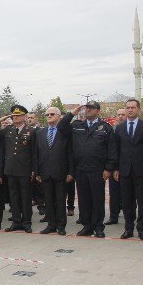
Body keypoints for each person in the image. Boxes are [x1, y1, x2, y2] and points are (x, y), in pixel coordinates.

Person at [58, 101, 117, 238]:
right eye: (86, 108)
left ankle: (98, 227)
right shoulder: (77, 125)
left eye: (91, 108)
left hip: (98, 169)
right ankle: (87, 226)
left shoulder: (105, 128)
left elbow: (112, 151)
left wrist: (108, 169)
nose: (88, 110)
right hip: (81, 168)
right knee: (84, 199)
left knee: (97, 199)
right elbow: (61, 126)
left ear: (98, 111)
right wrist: (72, 112)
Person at [113, 99, 143, 241]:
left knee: (142, 201)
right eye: (127, 108)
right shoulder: (120, 127)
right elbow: (117, 150)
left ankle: (141, 229)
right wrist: (116, 169)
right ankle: (128, 228)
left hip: (141, 170)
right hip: (125, 170)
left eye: (132, 108)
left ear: (138, 109)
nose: (130, 110)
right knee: (127, 202)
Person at [0, 105, 36, 233]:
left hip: (25, 169)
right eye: (13, 115)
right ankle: (16, 222)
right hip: (11, 169)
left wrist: (34, 169)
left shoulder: (31, 131)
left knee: (25, 197)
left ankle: (27, 222)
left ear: (24, 117)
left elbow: (34, 152)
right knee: (14, 197)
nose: (15, 117)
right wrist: (2, 119)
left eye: (18, 115)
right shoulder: (8, 130)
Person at [35, 107, 73, 236]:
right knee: (48, 200)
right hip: (45, 172)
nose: (49, 116)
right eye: (47, 114)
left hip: (61, 172)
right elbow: (37, 153)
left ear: (59, 116)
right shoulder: (40, 132)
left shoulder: (65, 131)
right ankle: (51, 225)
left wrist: (70, 172)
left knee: (61, 200)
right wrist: (37, 172)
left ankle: (61, 225)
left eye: (52, 114)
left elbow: (70, 152)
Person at [106, 108, 126, 225]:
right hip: (114, 166)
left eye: (122, 115)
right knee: (114, 193)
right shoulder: (112, 130)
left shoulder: (129, 129)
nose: (120, 117)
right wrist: (112, 168)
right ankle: (113, 216)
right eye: (118, 115)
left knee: (128, 194)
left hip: (128, 166)